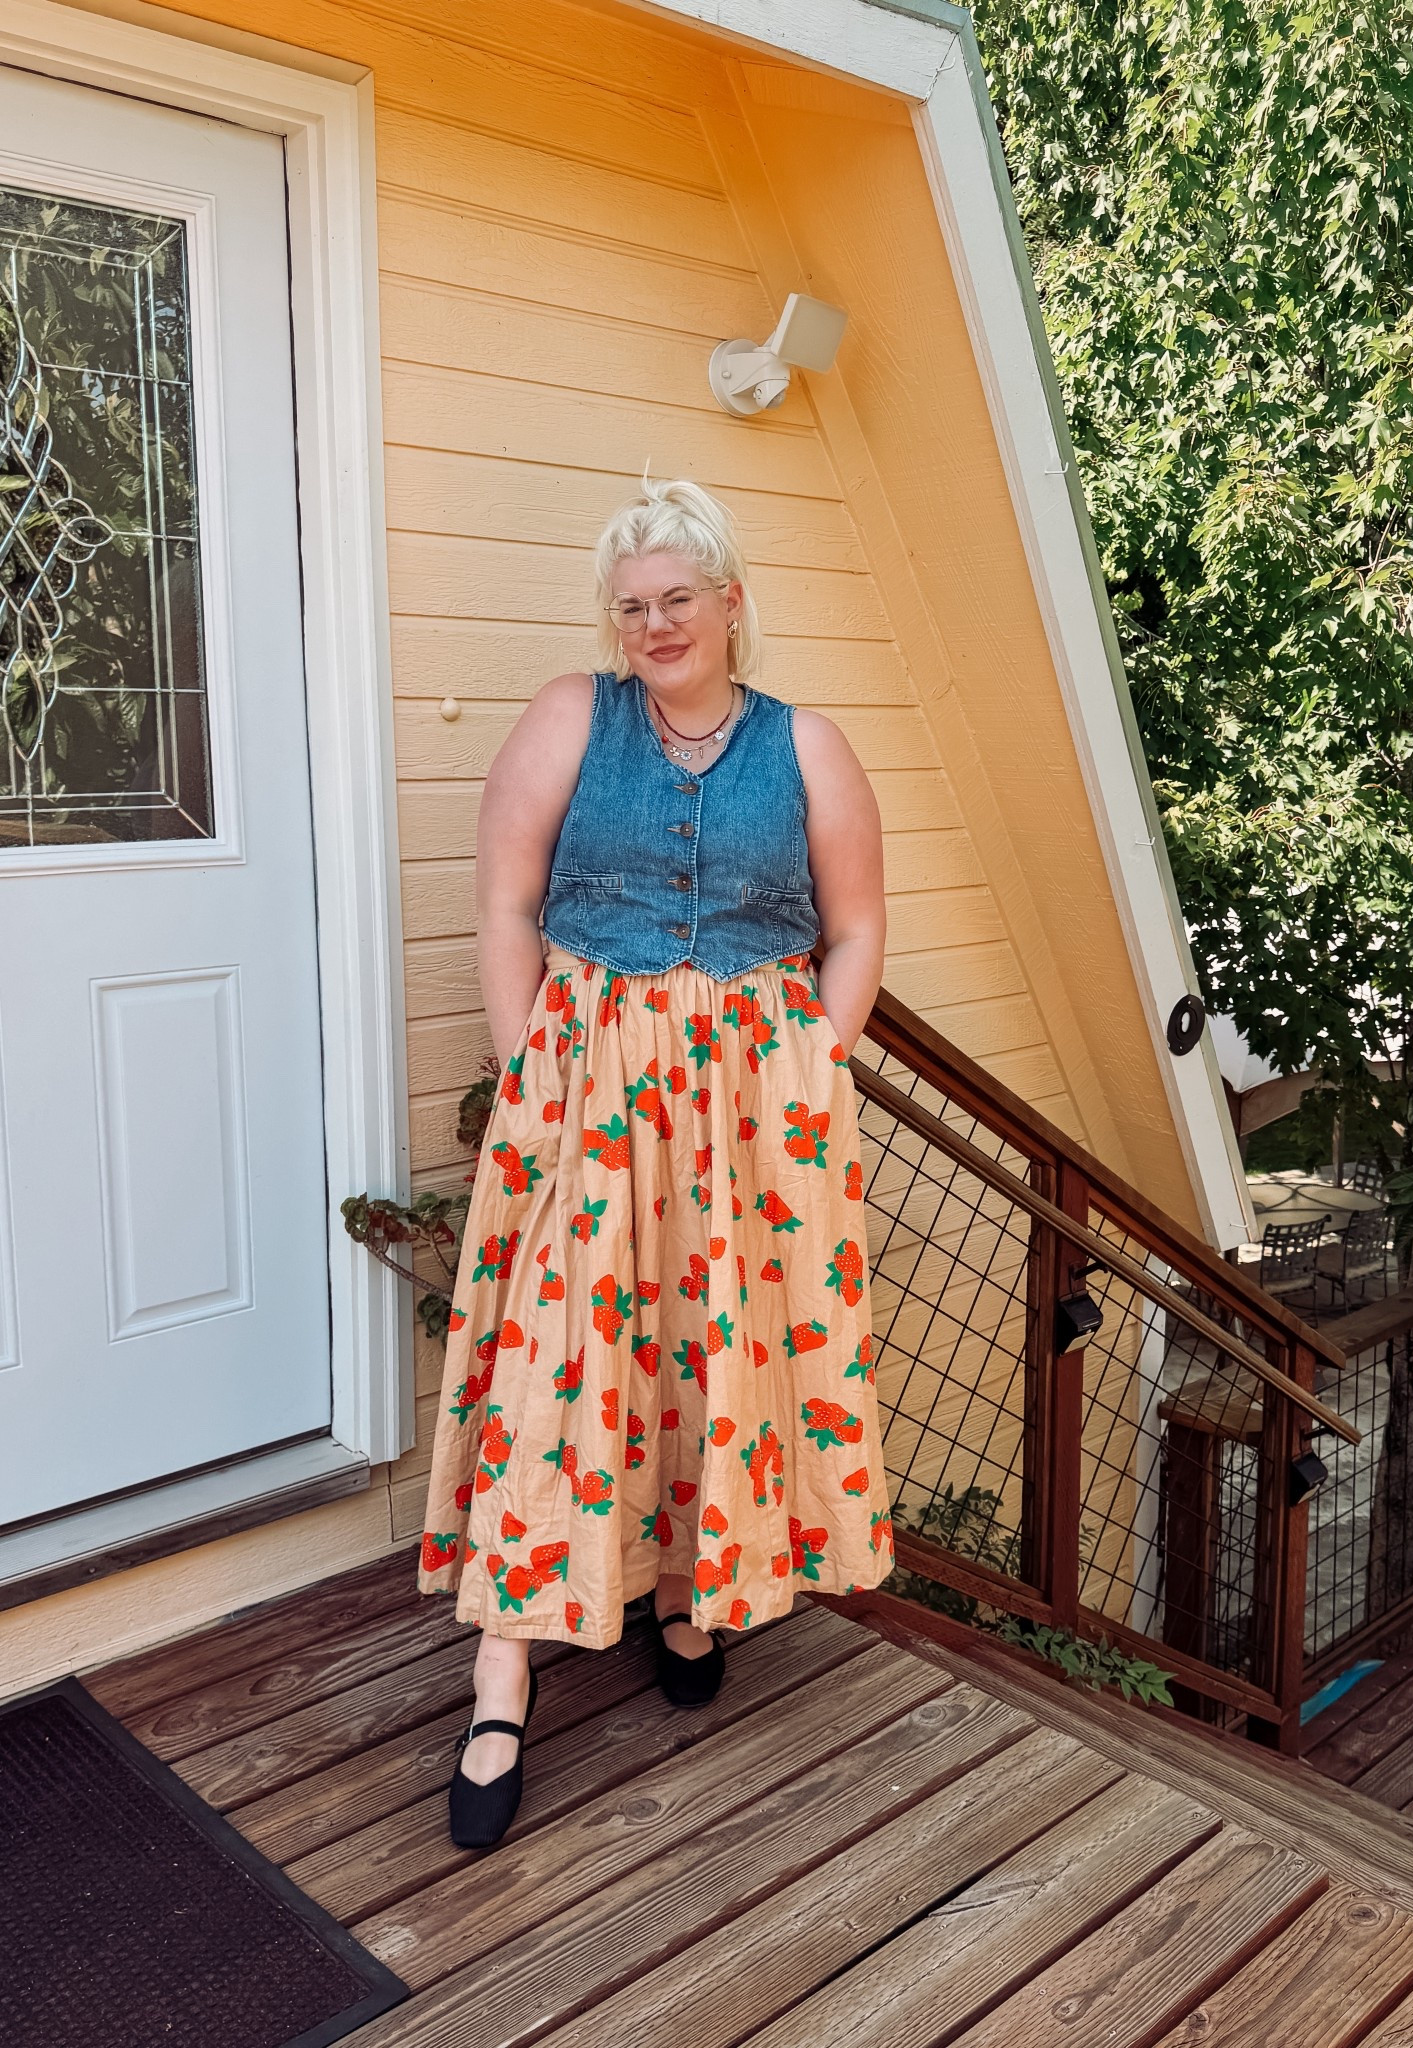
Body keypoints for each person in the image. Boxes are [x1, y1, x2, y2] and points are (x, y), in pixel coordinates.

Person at [416, 476, 895, 1848]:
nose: (655, 625)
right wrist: (531, 1076)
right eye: (633, 607)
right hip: (590, 1089)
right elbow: (508, 902)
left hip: (754, 1111)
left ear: (732, 602)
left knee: (705, 1348)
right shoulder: (576, 715)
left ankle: (683, 1589)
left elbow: (855, 930)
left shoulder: (808, 747)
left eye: (679, 599)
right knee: (555, 1362)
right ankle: (502, 1670)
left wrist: (813, 1061)